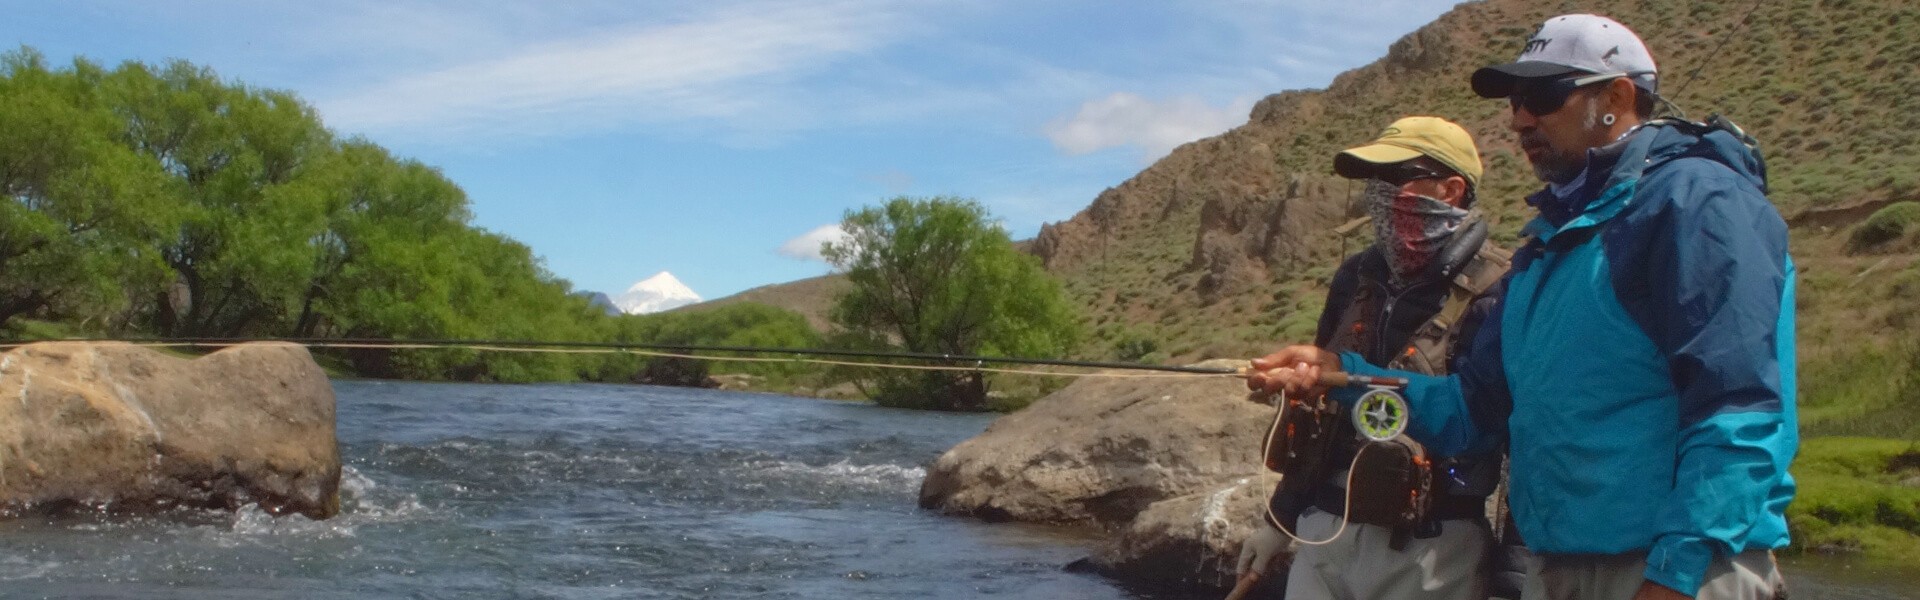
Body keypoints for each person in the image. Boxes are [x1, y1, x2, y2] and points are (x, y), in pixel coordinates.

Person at [1248, 14, 1795, 600]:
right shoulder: (1545, 251)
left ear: (1618, 97)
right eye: (1514, 101)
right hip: (1560, 566)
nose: (1520, 118)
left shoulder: (1697, 203)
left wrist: (1679, 571)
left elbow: (1739, 409)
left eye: (1542, 94)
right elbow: (1471, 411)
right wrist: (1340, 376)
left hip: (1677, 571)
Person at [1233, 116, 1513, 600]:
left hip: (1434, 554)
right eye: (1374, 181)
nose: (1379, 194)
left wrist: (1515, 574)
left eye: (1395, 178)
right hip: (1322, 536)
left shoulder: (1503, 290)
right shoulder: (1355, 277)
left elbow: (1503, 429)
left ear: (1450, 189)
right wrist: (1278, 522)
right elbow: (1317, 415)